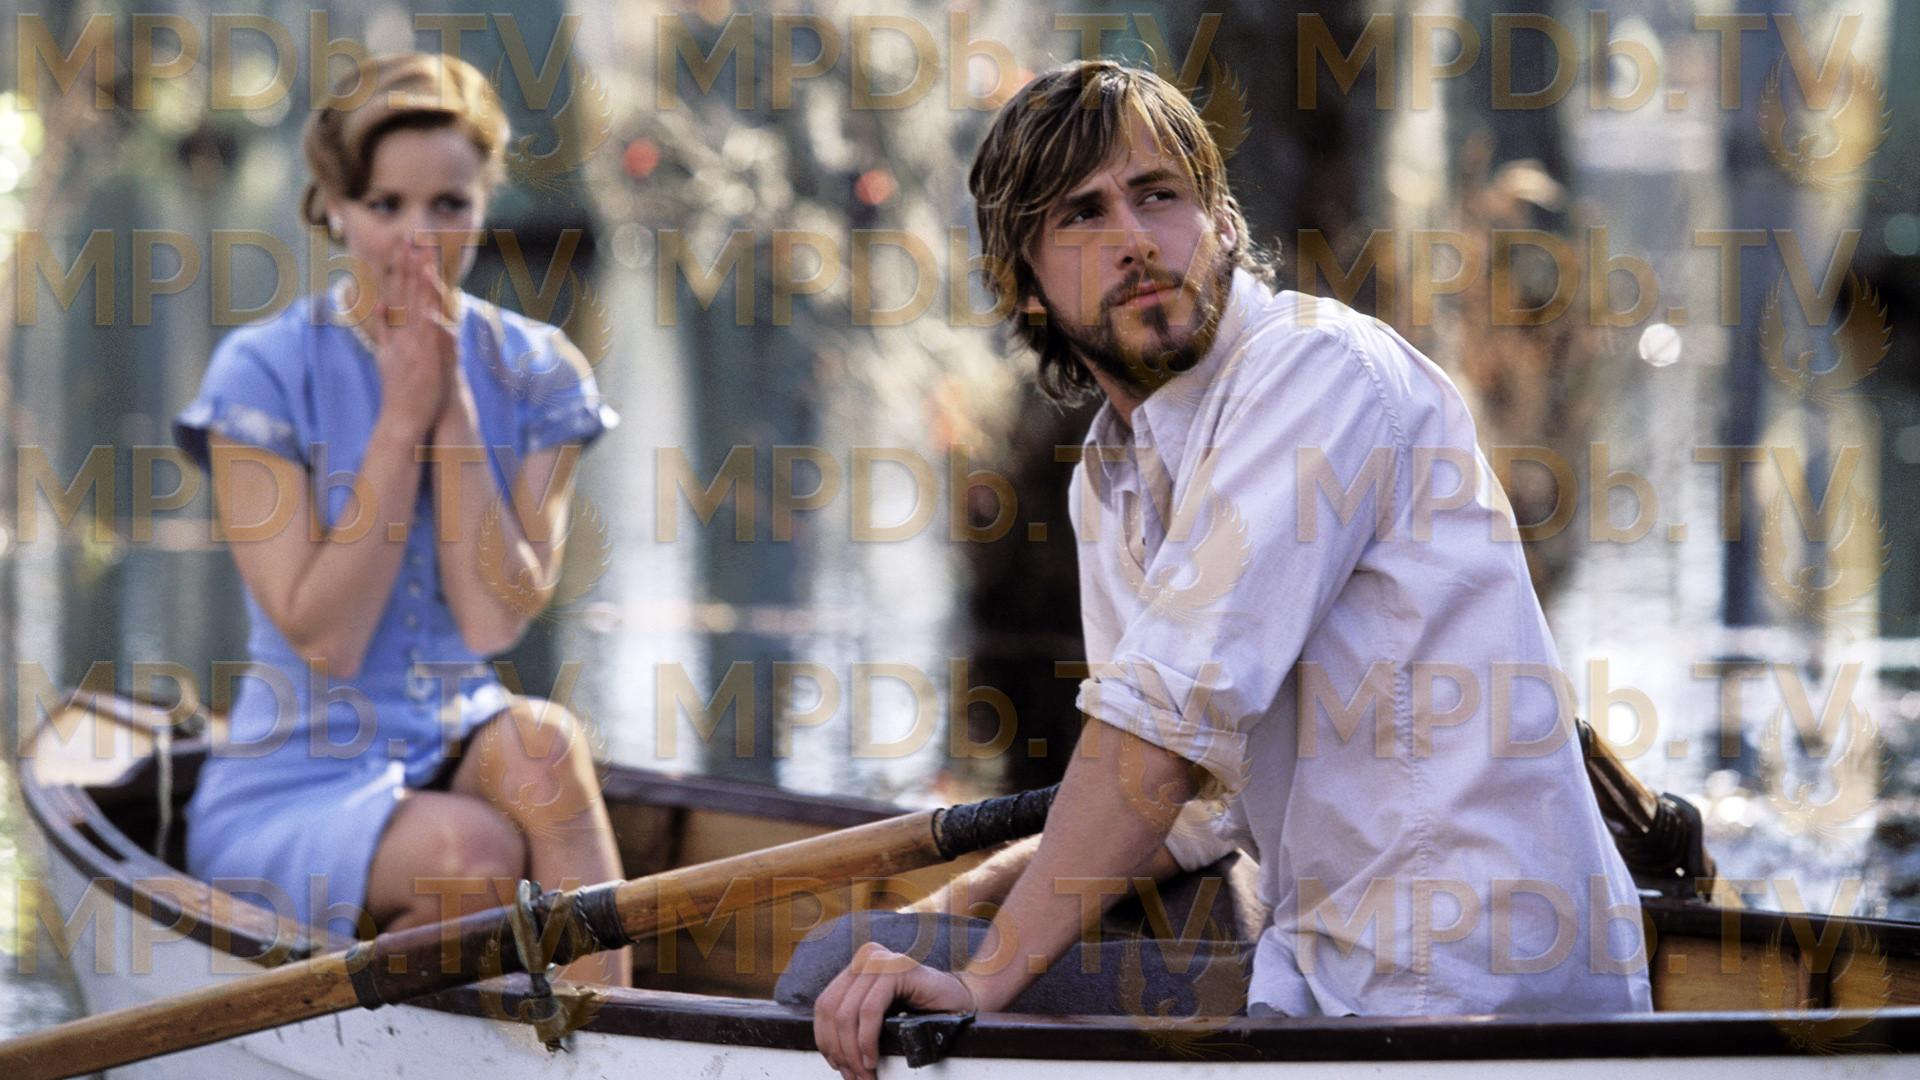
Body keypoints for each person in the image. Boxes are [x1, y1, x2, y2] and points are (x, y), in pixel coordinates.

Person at [805, 59, 1651, 1077]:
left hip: (1465, 1000)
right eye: (1082, 214)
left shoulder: (1317, 374)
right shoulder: (1112, 481)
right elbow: (1192, 800)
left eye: (1158, 195)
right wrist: (974, 896)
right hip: (1322, 976)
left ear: (1223, 225)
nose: (1133, 238)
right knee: (894, 944)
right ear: (1027, 289)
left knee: (827, 968)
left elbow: (1155, 746)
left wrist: (980, 982)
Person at [172, 52, 628, 985]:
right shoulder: (260, 374)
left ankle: (614, 1033)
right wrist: (399, 419)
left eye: (448, 205)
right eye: (386, 205)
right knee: (474, 852)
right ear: (336, 208)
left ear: (484, 206)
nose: (419, 239)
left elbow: (492, 622)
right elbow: (327, 638)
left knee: (546, 746)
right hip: (292, 776)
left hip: (455, 739)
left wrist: (451, 406)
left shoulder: (540, 371)